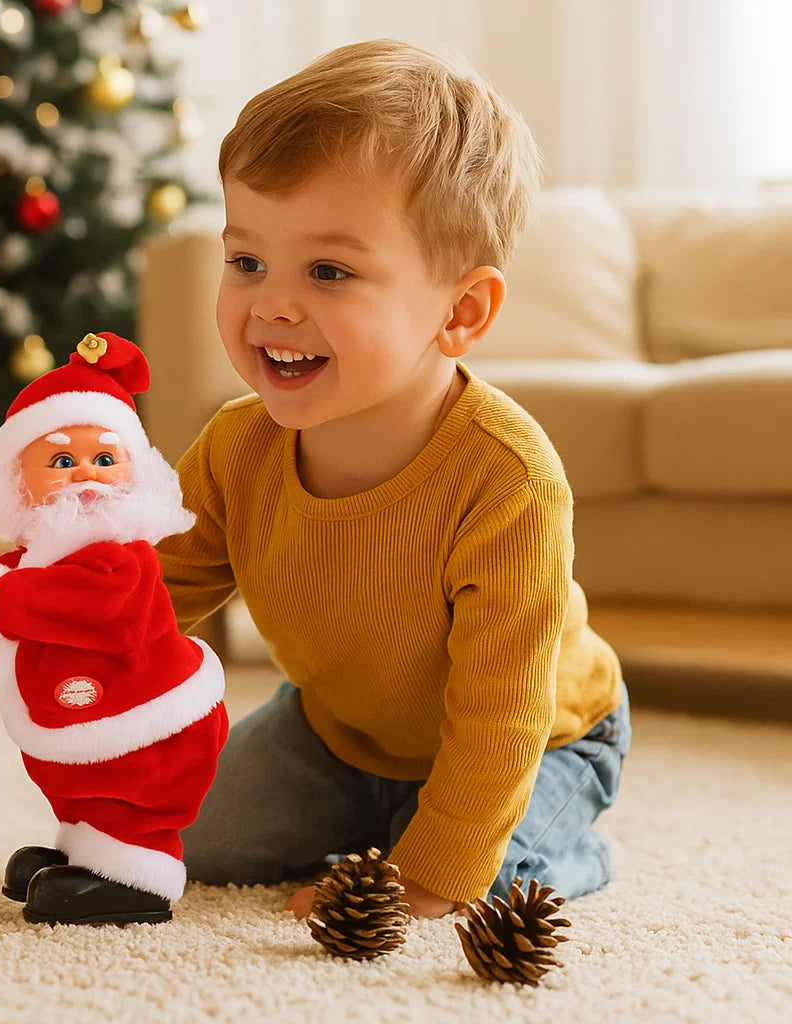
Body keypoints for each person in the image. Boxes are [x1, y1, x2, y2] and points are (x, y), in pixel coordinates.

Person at [155, 39, 631, 920]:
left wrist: (428, 876)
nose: (271, 306)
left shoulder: (507, 478)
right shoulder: (237, 447)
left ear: (460, 313)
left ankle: (568, 843)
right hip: (339, 732)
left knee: (486, 882)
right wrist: (41, 624)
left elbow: (502, 718)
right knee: (182, 844)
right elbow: (155, 590)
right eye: (247, 261)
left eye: (328, 271)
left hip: (541, 740)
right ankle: (383, 817)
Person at [0, 332, 228, 925]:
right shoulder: (45, 551)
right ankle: (81, 845)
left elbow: (87, 605)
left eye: (105, 459)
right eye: (62, 461)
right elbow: (17, 584)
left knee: (124, 788)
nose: (86, 475)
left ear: (134, 473)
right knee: (75, 780)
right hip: (84, 715)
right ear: (19, 480)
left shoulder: (122, 556)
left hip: (144, 727)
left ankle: (135, 869)